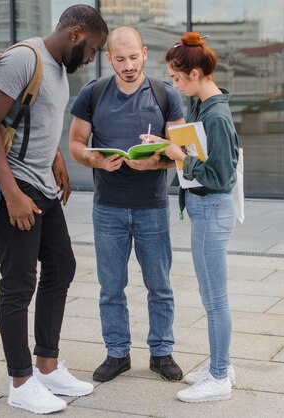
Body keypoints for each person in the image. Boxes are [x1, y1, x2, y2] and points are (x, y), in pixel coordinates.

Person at [0, 4, 108, 415]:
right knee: (18, 283)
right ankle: (21, 382)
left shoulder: (56, 68)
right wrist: (11, 193)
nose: (90, 59)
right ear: (75, 33)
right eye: (92, 49)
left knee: (61, 267)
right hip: (12, 187)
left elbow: (35, 118)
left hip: (41, 182)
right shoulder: (23, 59)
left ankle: (47, 367)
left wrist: (55, 158)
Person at [68, 25, 185, 383]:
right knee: (111, 287)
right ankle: (117, 354)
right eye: (120, 59)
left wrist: (155, 161)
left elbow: (181, 152)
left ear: (145, 53)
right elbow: (75, 143)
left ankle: (161, 352)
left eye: (134, 57)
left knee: (160, 286)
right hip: (109, 207)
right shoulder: (93, 93)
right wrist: (97, 161)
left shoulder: (166, 95)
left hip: (151, 206)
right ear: (109, 59)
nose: (128, 65)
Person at [159, 32, 240, 403]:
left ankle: (220, 376)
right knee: (212, 297)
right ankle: (218, 365)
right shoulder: (204, 105)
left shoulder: (216, 112)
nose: (174, 85)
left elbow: (222, 175)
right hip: (203, 209)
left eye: (176, 78)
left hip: (212, 209)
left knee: (215, 299)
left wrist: (179, 153)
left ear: (194, 74)